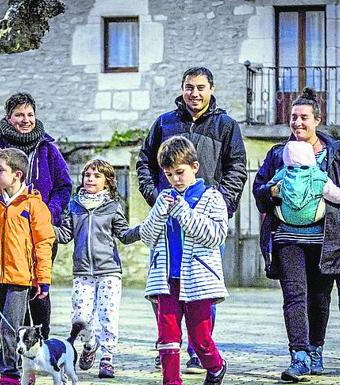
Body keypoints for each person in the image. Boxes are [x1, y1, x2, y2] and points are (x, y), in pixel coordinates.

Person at [253, 88, 340, 382]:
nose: (297, 123)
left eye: (304, 118)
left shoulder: (336, 155)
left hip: (327, 240)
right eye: (293, 117)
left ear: (317, 120)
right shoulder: (277, 154)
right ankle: (298, 356)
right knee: (294, 295)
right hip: (287, 238)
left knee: (320, 298)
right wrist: (271, 192)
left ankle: (315, 348)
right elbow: (259, 190)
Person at [137, 66, 247, 372]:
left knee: (202, 292)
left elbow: (237, 167)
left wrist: (220, 202)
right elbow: (145, 161)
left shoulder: (226, 125)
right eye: (189, 87)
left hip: (206, 218)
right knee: (165, 291)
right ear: (182, 89)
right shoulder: (165, 122)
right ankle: (169, 348)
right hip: (168, 221)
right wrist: (155, 195)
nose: (194, 93)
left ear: (212, 88)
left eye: (200, 87)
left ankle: (201, 349)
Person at [0, 92, 72, 342]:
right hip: (5, 231)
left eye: (30, 114)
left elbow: (64, 186)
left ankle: (42, 343)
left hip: (39, 230)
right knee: (11, 288)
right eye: (19, 115)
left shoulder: (48, 149)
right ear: (8, 117)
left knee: (39, 285)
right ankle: (21, 347)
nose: (25, 120)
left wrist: (49, 213)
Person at [140, 136, 229, 385]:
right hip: (166, 280)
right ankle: (171, 382)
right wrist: (159, 212)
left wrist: (182, 211)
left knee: (200, 340)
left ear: (194, 167)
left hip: (199, 281)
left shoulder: (212, 198)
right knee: (167, 337)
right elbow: (147, 236)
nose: (175, 179)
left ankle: (216, 366)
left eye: (179, 172)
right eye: (169, 175)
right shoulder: (163, 199)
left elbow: (215, 236)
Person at [0, 148, 55, 385]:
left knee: (11, 328)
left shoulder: (34, 206)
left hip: (20, 280)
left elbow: (43, 244)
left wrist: (43, 279)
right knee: (1, 329)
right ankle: (26, 364)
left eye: (0, 170)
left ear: (17, 174)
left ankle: (9, 374)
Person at [63, 159, 140, 379]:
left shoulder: (113, 207)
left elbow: (124, 235)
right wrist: (43, 227)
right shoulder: (74, 205)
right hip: (82, 272)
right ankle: (89, 345)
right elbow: (65, 235)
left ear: (107, 182)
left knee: (108, 315)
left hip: (109, 271)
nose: (90, 179)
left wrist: (143, 229)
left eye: (96, 176)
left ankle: (107, 358)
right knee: (80, 317)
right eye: (87, 174)